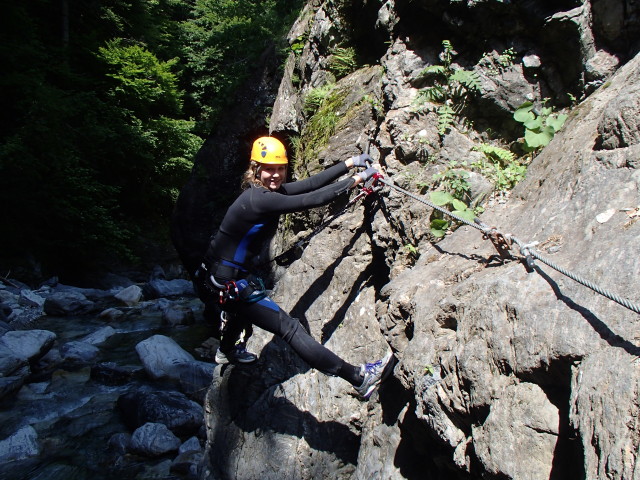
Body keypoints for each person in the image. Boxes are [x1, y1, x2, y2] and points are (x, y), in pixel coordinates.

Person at [194, 136, 394, 399]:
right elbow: (311, 200)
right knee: (289, 328)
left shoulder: (262, 193)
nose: (276, 175)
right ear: (256, 170)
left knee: (240, 311)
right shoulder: (260, 200)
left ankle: (226, 350)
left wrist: (350, 163)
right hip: (228, 282)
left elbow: (308, 186)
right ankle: (359, 378)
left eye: (280, 169)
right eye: (269, 169)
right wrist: (358, 179)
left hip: (216, 277)